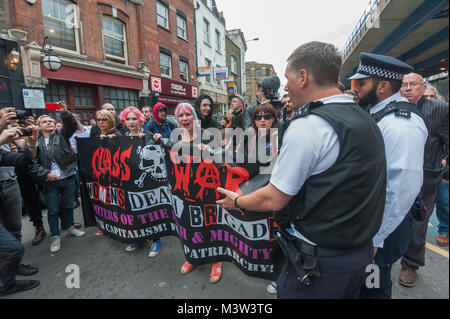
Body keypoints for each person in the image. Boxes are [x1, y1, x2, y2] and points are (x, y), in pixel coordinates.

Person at [217, 41, 387, 299]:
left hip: (320, 262)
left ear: (304, 77)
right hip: (359, 253)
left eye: (288, 78)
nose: (285, 86)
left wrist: (238, 201)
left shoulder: (309, 125)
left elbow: (275, 197)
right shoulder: (366, 117)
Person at [351, 53, 428, 299]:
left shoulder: (400, 124)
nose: (355, 89)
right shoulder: (379, 113)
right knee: (363, 283)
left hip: (382, 230)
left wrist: (376, 239)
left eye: (361, 83)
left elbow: (401, 187)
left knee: (373, 285)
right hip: (372, 224)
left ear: (383, 86)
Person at [398, 73, 449, 287]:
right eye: (404, 85)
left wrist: (445, 166)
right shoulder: (392, 109)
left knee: (418, 224)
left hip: (426, 180)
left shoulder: (440, 110)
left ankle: (410, 264)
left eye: (413, 84)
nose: (408, 88)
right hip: (396, 177)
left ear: (423, 87)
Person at [171, 102, 223, 284]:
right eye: (181, 115)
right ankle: (193, 257)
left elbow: (223, 158)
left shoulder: (207, 136)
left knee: (210, 225)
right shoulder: (175, 140)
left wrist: (210, 152)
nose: (185, 118)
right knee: (189, 225)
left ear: (194, 116)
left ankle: (216, 260)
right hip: (187, 193)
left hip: (207, 191)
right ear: (177, 119)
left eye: (188, 114)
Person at [29, 101, 86, 253]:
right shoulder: (35, 141)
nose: (48, 123)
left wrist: (65, 113)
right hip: (49, 183)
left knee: (68, 206)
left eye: (51, 121)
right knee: (53, 210)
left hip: (67, 177)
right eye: (44, 121)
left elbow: (72, 125)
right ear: (39, 126)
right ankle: (55, 236)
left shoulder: (61, 136)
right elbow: (31, 162)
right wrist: (46, 174)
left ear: (55, 125)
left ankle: (71, 227)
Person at [0, 124, 40, 296]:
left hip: (8, 189)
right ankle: (6, 284)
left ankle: (12, 269)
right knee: (13, 248)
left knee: (15, 232)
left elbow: (22, 160)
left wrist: (32, 143)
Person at [119, 107, 162, 257]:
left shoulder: (148, 135)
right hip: (130, 180)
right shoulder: (122, 137)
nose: (131, 122)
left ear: (140, 119)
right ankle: (139, 238)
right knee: (134, 212)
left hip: (148, 181)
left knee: (150, 211)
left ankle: (156, 240)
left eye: (134, 118)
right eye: (128, 119)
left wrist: (155, 140)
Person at [91, 109, 123, 236]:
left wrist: (111, 141)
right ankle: (106, 225)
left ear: (110, 120)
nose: (101, 122)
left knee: (116, 203)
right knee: (104, 202)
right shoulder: (97, 135)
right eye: (98, 120)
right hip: (101, 174)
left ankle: (120, 226)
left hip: (115, 175)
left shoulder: (117, 134)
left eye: (104, 119)